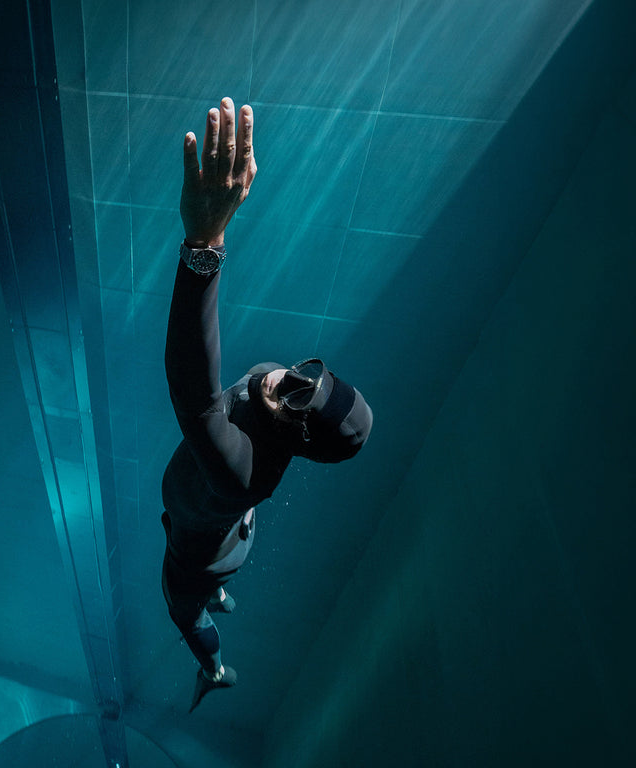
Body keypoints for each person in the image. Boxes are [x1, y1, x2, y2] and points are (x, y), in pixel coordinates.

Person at [161, 97, 373, 712]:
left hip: (204, 552)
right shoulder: (272, 398)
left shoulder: (237, 468)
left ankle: (216, 668)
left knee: (181, 610)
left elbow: (192, 387)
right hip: (228, 528)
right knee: (213, 550)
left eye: (303, 398)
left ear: (300, 437)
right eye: (314, 373)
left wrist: (205, 242)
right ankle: (221, 588)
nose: (289, 380)